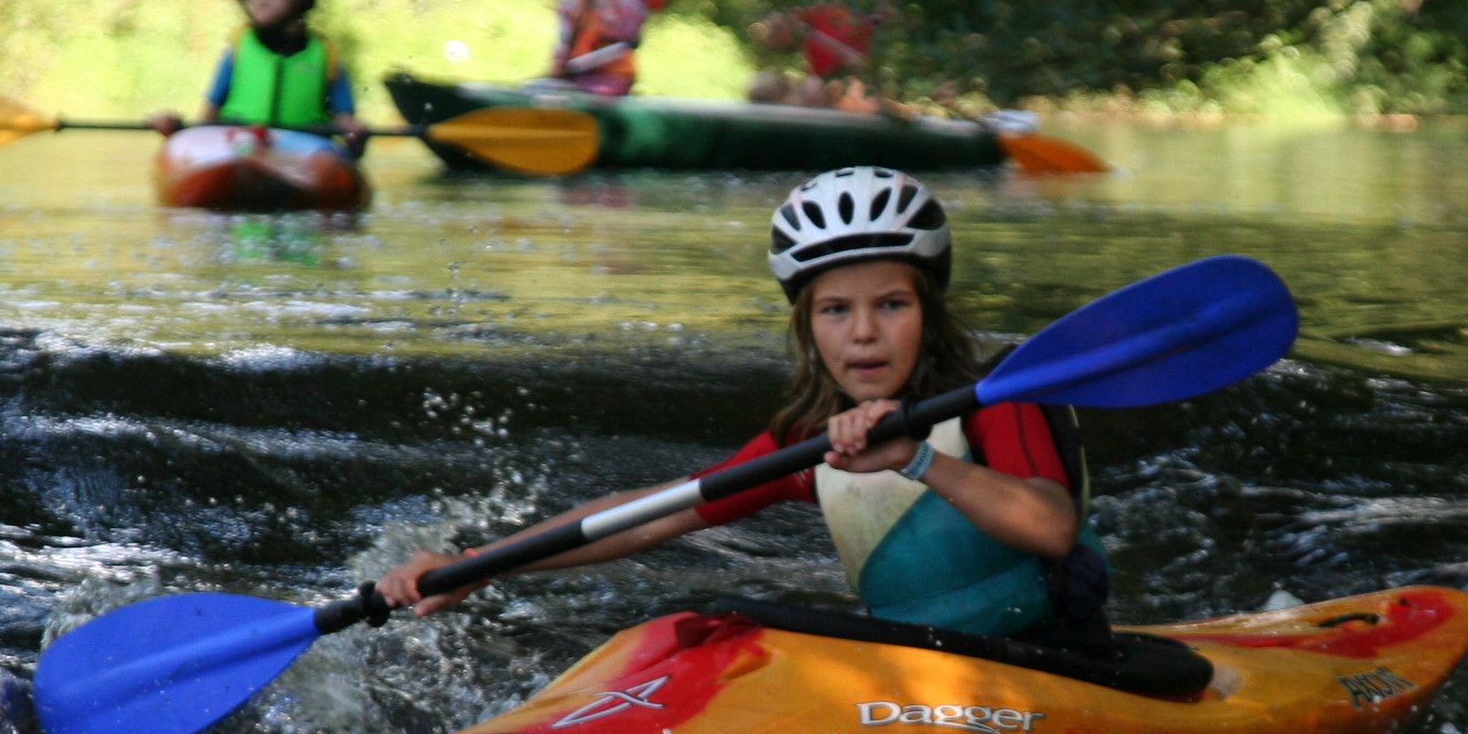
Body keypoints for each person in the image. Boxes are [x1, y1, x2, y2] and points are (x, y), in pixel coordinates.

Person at [381, 167, 1110, 641]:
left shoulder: (997, 397)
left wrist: (918, 458)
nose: (863, 333)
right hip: (912, 676)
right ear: (807, 327)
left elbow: (1050, 528)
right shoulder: (811, 442)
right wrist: (477, 565)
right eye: (835, 310)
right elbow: (651, 515)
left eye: (891, 304)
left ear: (929, 311)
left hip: (1057, 662)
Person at [149, 0, 365, 152]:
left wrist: (354, 134)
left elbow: (346, 124)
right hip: (238, 146)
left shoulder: (325, 55)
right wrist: (177, 130)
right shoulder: (238, 50)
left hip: (302, 150)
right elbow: (206, 120)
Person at [746, 2, 891, 111]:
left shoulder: (817, 5)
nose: (782, 20)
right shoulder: (818, 62)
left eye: (777, 19)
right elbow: (859, 66)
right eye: (778, 29)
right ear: (784, 43)